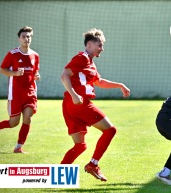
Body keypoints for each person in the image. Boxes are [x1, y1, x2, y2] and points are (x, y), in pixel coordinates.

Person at [60, 28, 130, 182]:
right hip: (79, 104)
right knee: (110, 130)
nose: (102, 48)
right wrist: (74, 94)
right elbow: (64, 74)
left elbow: (99, 82)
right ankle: (93, 165)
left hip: (71, 105)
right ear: (90, 44)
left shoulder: (90, 62)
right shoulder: (82, 58)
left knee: (80, 146)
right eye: (100, 45)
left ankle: (56, 177)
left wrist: (120, 85)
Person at [0, 26, 40, 154]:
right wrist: (15, 73)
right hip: (15, 94)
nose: (27, 39)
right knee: (13, 123)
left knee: (28, 119)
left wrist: (37, 76)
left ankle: (18, 147)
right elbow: (2, 69)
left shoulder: (35, 55)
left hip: (30, 93)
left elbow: (35, 72)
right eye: (24, 36)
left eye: (29, 36)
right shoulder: (12, 54)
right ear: (19, 38)